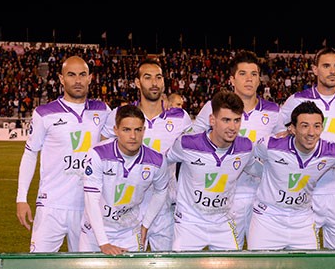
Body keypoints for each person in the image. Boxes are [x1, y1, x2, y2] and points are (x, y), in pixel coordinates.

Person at [16, 55, 111, 252]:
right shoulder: (44, 113)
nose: (77, 80)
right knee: (39, 266)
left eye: (82, 75)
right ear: (61, 79)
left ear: (90, 78)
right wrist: (21, 198)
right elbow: (30, 153)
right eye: (71, 75)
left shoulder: (102, 110)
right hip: (52, 204)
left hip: (88, 207)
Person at [276, 47, 335, 250]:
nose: (332, 71)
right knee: (303, 256)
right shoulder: (297, 100)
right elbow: (277, 133)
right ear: (315, 69)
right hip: (305, 193)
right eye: (326, 66)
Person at [102, 58, 193, 251]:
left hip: (165, 206)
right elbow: (104, 155)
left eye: (158, 77)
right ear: (137, 82)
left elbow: (191, 157)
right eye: (148, 77)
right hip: (129, 207)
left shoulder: (180, 118)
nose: (154, 83)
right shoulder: (121, 115)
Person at [192, 50, 280, 248]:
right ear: (232, 79)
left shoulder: (274, 111)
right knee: (229, 258)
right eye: (242, 74)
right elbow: (192, 140)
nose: (249, 79)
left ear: (259, 79)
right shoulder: (213, 106)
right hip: (228, 197)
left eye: (254, 74)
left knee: (264, 255)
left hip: (264, 196)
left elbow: (282, 147)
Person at [247, 101, 335, 250]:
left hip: (303, 221)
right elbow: (246, 155)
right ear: (293, 128)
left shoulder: (330, 152)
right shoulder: (271, 145)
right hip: (267, 220)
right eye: (304, 125)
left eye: (317, 126)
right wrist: (261, 172)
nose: (311, 132)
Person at [166, 90, 255, 251]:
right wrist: (169, 190)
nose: (232, 127)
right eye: (226, 120)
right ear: (212, 120)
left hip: (223, 223)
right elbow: (164, 162)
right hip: (189, 223)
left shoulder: (245, 147)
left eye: (237, 120)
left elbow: (258, 170)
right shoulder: (187, 144)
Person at [79, 105, 171, 255]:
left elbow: (161, 191)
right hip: (94, 232)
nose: (133, 136)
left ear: (144, 130)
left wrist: (146, 224)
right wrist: (103, 243)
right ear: (116, 130)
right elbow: (91, 199)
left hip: (129, 232)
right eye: (126, 130)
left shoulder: (157, 160)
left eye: (138, 130)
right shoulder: (97, 154)